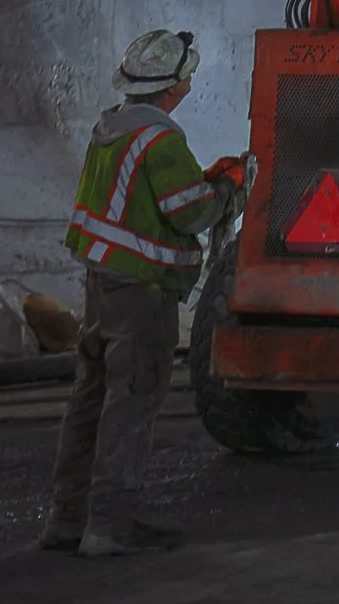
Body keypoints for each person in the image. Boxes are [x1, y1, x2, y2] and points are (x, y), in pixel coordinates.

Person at [43, 30, 245, 557]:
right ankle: (109, 527)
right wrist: (229, 190)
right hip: (143, 293)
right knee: (130, 405)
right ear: (174, 87)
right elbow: (192, 213)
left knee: (89, 400)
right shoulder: (162, 139)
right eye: (187, 77)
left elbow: (142, 200)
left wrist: (203, 182)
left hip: (103, 284)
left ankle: (67, 519)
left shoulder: (111, 128)